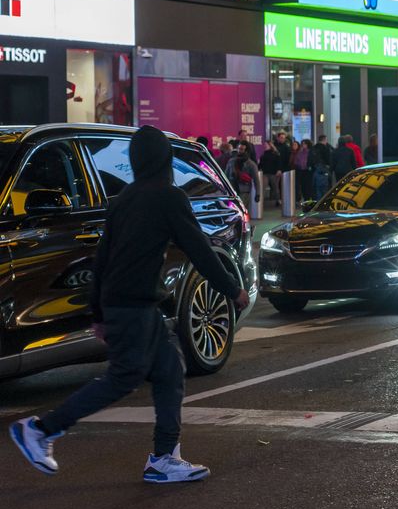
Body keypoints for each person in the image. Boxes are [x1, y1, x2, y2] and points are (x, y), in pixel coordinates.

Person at [9, 126, 250, 482]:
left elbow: (102, 259)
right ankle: (42, 429)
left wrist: (98, 312)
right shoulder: (169, 197)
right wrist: (233, 289)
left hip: (129, 306)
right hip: (134, 307)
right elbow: (199, 248)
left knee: (170, 371)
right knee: (122, 379)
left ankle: (165, 457)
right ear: (164, 159)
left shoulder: (123, 200)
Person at [225, 142, 260, 207]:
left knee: (241, 209)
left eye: (241, 149)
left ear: (246, 151)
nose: (239, 151)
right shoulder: (231, 161)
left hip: (244, 191)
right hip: (232, 190)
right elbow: (226, 176)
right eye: (238, 148)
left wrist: (257, 194)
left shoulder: (251, 164)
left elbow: (256, 180)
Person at [258, 139, 281, 207]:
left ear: (270, 145)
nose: (265, 146)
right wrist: (258, 166)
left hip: (273, 173)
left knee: (275, 187)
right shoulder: (263, 155)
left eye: (266, 145)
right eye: (264, 145)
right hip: (265, 173)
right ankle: (260, 201)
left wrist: (279, 170)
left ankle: (278, 200)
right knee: (263, 187)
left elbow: (278, 163)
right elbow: (260, 165)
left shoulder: (275, 154)